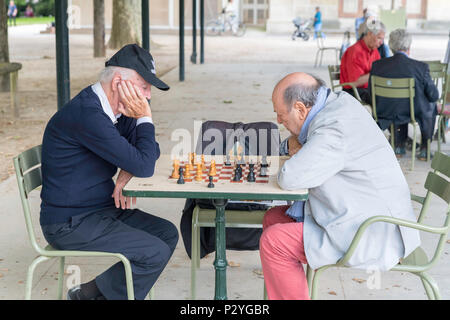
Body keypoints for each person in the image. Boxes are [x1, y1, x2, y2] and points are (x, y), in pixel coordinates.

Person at [260, 72, 421, 300]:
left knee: (275, 242)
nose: (279, 121)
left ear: (300, 109)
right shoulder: (337, 102)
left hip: (374, 230)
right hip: (364, 211)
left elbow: (290, 178)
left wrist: (298, 147)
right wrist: (296, 143)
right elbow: (297, 151)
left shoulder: (333, 129)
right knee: (273, 219)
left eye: (281, 115)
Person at [39, 44, 179, 300]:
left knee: (166, 233)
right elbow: (145, 165)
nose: (147, 96)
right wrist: (145, 117)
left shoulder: (115, 111)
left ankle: (89, 294)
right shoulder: (88, 115)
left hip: (98, 211)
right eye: (144, 86)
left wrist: (126, 170)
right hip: (69, 223)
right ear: (118, 83)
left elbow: (150, 152)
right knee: (153, 252)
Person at [370, 29, 440, 160]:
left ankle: (398, 146)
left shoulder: (377, 66)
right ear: (409, 46)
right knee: (430, 105)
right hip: (412, 113)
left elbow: (370, 92)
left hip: (386, 112)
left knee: (398, 105)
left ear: (391, 46)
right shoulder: (420, 67)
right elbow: (434, 96)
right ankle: (425, 148)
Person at [339, 19, 386, 105]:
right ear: (370, 34)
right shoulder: (355, 51)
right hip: (353, 92)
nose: (381, 43)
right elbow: (355, 82)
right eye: (379, 38)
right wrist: (375, 73)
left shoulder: (374, 51)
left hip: (368, 89)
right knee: (383, 100)